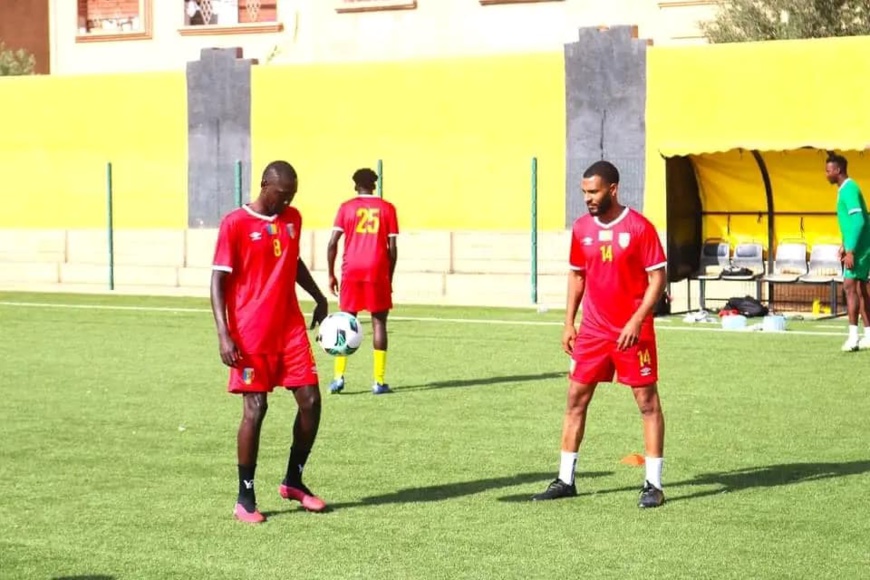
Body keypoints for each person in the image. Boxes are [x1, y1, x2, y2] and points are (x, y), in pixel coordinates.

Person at [532, 160, 668, 509]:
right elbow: (577, 275)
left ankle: (653, 484)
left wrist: (637, 320)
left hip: (632, 331)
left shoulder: (639, 227)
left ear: (613, 189)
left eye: (593, 192)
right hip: (593, 331)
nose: (588, 198)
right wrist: (568, 322)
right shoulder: (581, 229)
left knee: (647, 403)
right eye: (584, 192)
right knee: (575, 399)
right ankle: (565, 480)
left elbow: (658, 278)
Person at [210, 160, 330, 524]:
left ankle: (293, 480)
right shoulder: (235, 223)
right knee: (256, 408)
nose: (286, 201)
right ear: (264, 185)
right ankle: (245, 497)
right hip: (250, 333)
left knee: (311, 401)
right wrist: (224, 333)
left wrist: (318, 296)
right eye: (281, 194)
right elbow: (217, 281)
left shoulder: (293, 219)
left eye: (292, 195)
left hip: (289, 329)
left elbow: (292, 261)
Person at [326, 168, 399, 395]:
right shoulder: (388, 208)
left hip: (351, 270)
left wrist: (330, 274)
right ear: (374, 185)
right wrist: (389, 277)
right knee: (379, 323)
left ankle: (338, 378)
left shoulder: (346, 207)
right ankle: (378, 382)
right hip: (377, 270)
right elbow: (392, 249)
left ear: (355, 185)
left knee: (345, 322)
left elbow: (332, 243)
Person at [825, 154, 870, 351]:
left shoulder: (849, 189)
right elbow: (851, 223)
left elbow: (859, 221)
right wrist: (845, 244)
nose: (826, 174)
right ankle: (868, 335)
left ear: (838, 170)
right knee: (861, 290)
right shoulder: (846, 189)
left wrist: (851, 250)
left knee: (849, 287)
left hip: (860, 248)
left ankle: (853, 338)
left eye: (828, 171)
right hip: (860, 246)